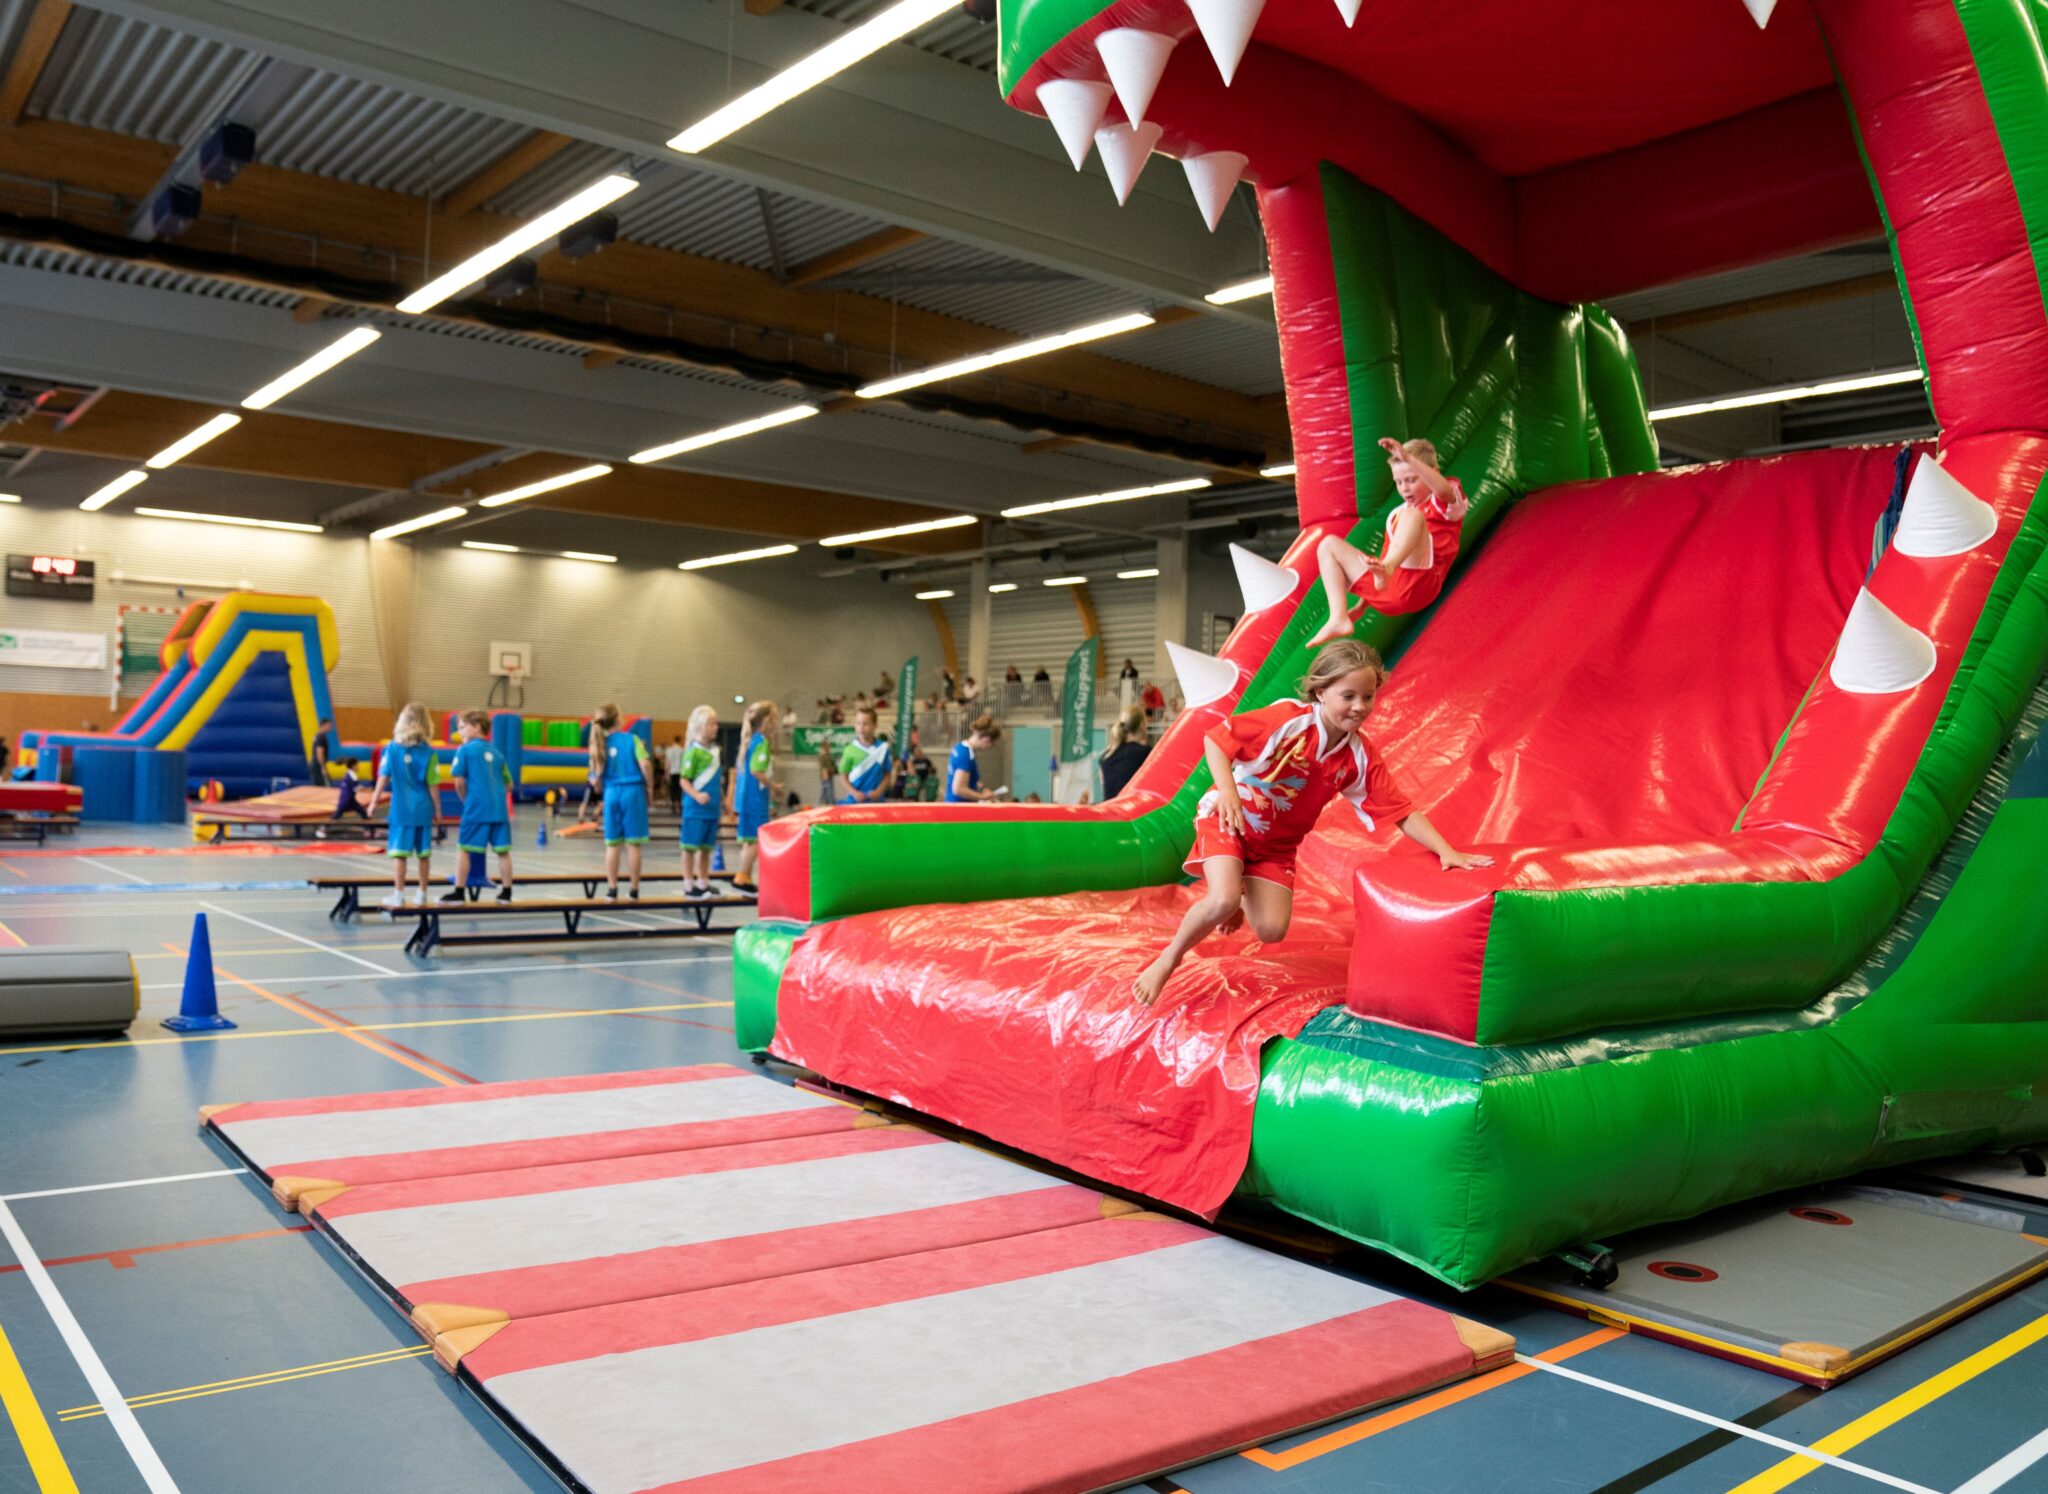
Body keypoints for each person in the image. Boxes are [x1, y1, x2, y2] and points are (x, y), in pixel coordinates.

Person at [1132, 640, 1491, 1006]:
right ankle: (1169, 959)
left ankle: (1239, 886)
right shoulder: (1289, 719)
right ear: (1321, 692)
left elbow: (1399, 810)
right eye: (1348, 696)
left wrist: (1446, 851)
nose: (1359, 706)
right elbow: (1218, 740)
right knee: (1221, 900)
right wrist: (1227, 791)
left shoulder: (1358, 756)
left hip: (1275, 848)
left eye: (1367, 697)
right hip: (1232, 820)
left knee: (1271, 929)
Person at [1309, 437, 1470, 646]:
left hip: (1420, 585)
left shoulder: (1443, 505)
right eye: (1399, 482)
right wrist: (1362, 605)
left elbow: (1442, 490)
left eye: (1411, 480)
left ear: (1432, 472)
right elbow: (1389, 554)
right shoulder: (1398, 515)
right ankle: (1338, 616)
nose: (1405, 488)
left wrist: (1408, 458)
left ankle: (1387, 569)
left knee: (1413, 516)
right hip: (1388, 590)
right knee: (1328, 545)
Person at [368, 702, 438, 910]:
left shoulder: (391, 749)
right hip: (423, 808)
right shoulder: (429, 753)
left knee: (400, 854)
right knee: (423, 854)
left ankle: (398, 894)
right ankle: (422, 893)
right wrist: (438, 810)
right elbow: (433, 784)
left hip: (401, 809)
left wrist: (373, 802)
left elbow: (382, 777)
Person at [444, 709, 514, 903]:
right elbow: (509, 785)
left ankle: (459, 892)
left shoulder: (465, 750)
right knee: (503, 851)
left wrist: (466, 800)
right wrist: (495, 796)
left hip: (476, 809)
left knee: (464, 849)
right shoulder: (497, 753)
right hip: (499, 810)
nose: (459, 732)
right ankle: (506, 892)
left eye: (462, 727)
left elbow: (458, 782)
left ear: (476, 727)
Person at [592, 703, 652, 900]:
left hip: (611, 794)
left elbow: (595, 780)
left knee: (612, 844)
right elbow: (645, 764)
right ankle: (634, 890)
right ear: (618, 719)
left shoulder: (599, 743)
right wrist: (650, 787)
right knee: (633, 844)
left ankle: (612, 889)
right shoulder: (632, 740)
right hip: (632, 792)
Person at [732, 700, 779, 899]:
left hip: (746, 798)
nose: (776, 723)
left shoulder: (751, 741)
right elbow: (756, 771)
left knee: (748, 840)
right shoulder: (761, 742)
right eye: (774, 719)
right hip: (754, 799)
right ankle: (741, 877)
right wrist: (774, 786)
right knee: (757, 839)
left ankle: (746, 879)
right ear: (767, 721)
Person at [676, 706, 723, 898]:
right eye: (712, 723)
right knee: (689, 847)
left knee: (706, 848)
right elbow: (684, 780)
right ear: (700, 726)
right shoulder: (692, 752)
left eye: (716, 723)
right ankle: (689, 885)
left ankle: (703, 882)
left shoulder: (715, 751)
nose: (716, 727)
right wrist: (696, 795)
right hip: (695, 810)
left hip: (712, 809)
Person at [838, 705, 897, 805]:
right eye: (858, 723)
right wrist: (855, 793)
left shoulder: (883, 748)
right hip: (854, 802)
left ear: (875, 725)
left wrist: (878, 792)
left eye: (866, 724)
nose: (861, 728)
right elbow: (843, 777)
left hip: (876, 802)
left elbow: (887, 775)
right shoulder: (849, 750)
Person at [946, 715, 1006, 803]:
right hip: (960, 806)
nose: (990, 747)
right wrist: (982, 797)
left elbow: (969, 779)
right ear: (986, 739)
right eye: (992, 744)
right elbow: (958, 789)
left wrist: (982, 789)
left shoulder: (960, 748)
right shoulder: (966, 755)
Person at [1100, 703, 1151, 800]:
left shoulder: (1105, 757)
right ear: (1142, 725)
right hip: (1133, 807)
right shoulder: (1145, 753)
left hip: (1109, 807)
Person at [663, 734, 685, 815]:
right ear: (680, 741)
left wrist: (666, 772)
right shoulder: (682, 750)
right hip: (680, 772)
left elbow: (667, 762)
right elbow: (684, 762)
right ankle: (679, 804)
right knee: (679, 789)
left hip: (672, 772)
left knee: (672, 789)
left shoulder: (669, 750)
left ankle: (673, 805)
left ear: (674, 740)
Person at [310, 718, 334, 785]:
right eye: (329, 725)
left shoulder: (317, 735)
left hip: (315, 766)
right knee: (326, 787)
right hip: (318, 767)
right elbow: (320, 753)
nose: (331, 727)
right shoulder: (321, 737)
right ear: (323, 725)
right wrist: (323, 767)